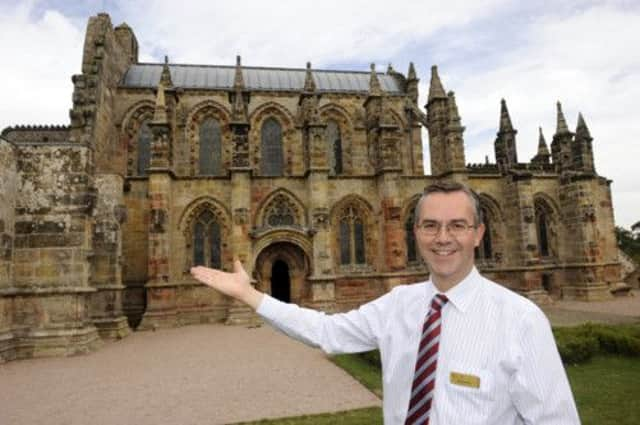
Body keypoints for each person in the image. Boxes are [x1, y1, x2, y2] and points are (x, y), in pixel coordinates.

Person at [191, 181, 580, 425]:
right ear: (415, 232)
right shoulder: (400, 304)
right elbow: (327, 332)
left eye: (457, 226)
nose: (443, 238)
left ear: (478, 233)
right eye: (430, 225)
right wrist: (250, 295)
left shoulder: (521, 319)